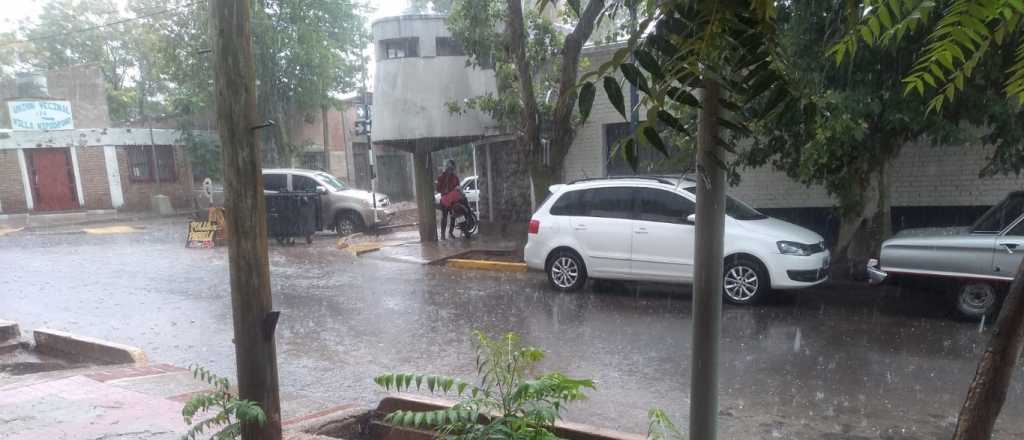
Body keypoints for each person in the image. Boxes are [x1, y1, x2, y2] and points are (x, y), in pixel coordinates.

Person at [436, 159, 460, 239]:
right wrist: (444, 191)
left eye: (452, 168)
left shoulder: (455, 178)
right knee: (444, 217)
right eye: (449, 168)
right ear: (446, 168)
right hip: (445, 200)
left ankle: (450, 233)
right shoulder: (441, 177)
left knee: (453, 216)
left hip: (453, 201)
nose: (450, 170)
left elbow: (458, 187)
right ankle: (443, 235)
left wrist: (456, 190)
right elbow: (438, 189)